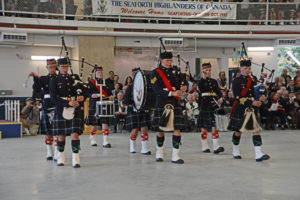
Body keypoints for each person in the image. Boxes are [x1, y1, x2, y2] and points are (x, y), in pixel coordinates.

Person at [228, 59, 270, 162]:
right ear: (241, 68)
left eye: (249, 68)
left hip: (252, 109)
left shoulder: (253, 80)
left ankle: (258, 154)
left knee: (256, 130)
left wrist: (261, 97)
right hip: (241, 109)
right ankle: (235, 150)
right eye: (245, 68)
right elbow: (237, 97)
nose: (247, 70)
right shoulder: (236, 81)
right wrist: (252, 102)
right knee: (238, 131)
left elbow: (256, 93)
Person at [151, 51, 187, 164]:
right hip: (162, 102)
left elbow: (183, 82)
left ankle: (175, 155)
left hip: (175, 103)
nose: (169, 63)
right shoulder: (155, 73)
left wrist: (184, 87)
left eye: (171, 60)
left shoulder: (176, 71)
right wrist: (172, 93)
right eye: (167, 61)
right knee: (160, 130)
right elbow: (156, 90)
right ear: (161, 61)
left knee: (177, 129)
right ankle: (159, 153)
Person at [49, 57, 84, 168]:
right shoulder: (54, 80)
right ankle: (61, 157)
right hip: (61, 108)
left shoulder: (75, 78)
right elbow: (54, 99)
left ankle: (76, 158)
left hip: (75, 109)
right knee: (61, 136)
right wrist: (68, 103)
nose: (65, 68)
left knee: (75, 135)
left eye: (66, 66)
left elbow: (85, 89)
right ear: (58, 67)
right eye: (63, 66)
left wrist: (82, 97)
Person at [31, 58, 58, 160]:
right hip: (47, 105)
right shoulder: (43, 79)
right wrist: (35, 78)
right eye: (50, 67)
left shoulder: (60, 78)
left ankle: (57, 152)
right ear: (47, 67)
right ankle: (49, 151)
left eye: (54, 67)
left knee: (57, 131)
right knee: (48, 132)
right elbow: (37, 89)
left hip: (58, 105)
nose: (52, 69)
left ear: (56, 67)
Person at [198, 63, 225, 154]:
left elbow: (218, 91)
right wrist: (204, 77)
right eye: (207, 70)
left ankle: (216, 146)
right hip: (205, 105)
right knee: (204, 127)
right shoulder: (201, 81)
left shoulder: (214, 81)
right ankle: (204, 146)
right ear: (203, 71)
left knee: (214, 125)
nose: (209, 72)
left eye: (210, 70)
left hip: (214, 105)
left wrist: (220, 97)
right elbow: (201, 88)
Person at [85, 66, 114, 148]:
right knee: (94, 124)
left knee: (105, 123)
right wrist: (92, 95)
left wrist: (111, 96)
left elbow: (109, 93)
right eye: (98, 72)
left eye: (101, 72)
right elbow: (87, 92)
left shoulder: (106, 82)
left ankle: (105, 141)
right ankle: (92, 139)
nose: (100, 74)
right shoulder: (92, 82)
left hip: (104, 104)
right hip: (94, 104)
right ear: (95, 73)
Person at [124, 68, 151, 155]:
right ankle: (132, 146)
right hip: (133, 110)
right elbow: (125, 99)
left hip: (143, 110)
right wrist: (130, 103)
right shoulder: (130, 87)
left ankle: (144, 148)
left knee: (144, 128)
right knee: (135, 130)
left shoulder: (145, 86)